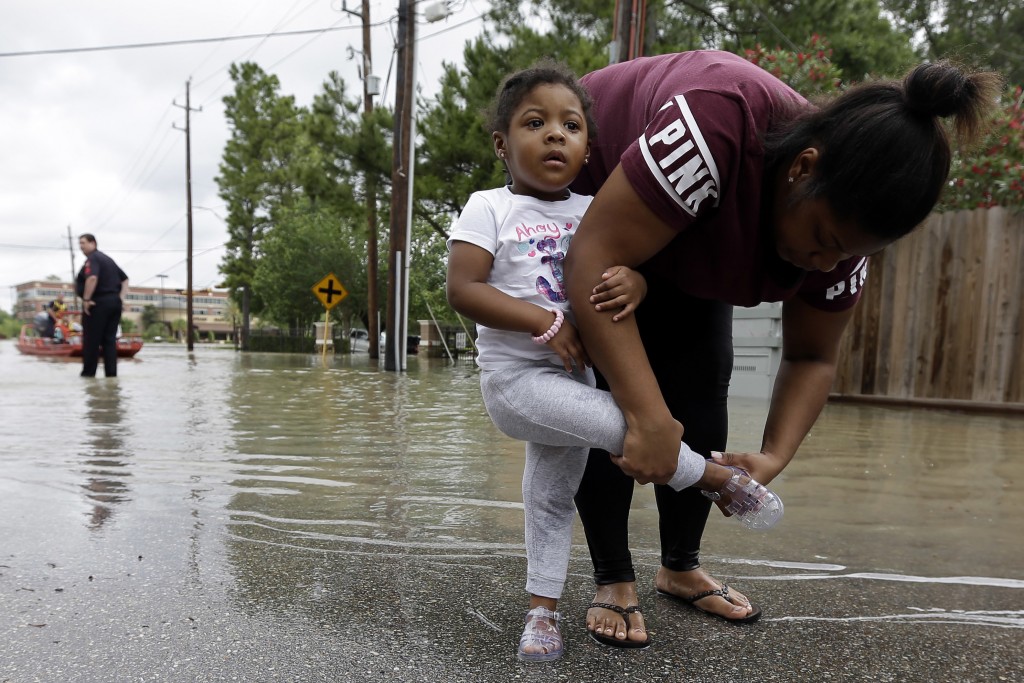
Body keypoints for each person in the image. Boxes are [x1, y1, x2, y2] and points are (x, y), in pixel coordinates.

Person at [561, 51, 1002, 645]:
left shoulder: (841, 248)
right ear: (803, 167)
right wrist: (645, 414)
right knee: (614, 400)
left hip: (696, 229)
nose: (825, 264)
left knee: (703, 380)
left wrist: (773, 455)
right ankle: (613, 577)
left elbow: (812, 358)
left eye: (844, 254)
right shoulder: (716, 125)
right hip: (594, 199)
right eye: (823, 240)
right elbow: (592, 257)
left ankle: (679, 564)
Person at [446, 59, 784, 661]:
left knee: (549, 496)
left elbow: (626, 270)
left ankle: (541, 612)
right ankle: (712, 478)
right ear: (502, 143)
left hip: (573, 381)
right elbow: (464, 290)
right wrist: (546, 321)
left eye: (571, 126)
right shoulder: (489, 208)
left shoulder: (591, 210)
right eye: (535, 122)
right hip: (517, 382)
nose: (556, 134)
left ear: (587, 147)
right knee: (628, 423)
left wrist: (638, 283)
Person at [76, 233, 129, 377]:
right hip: (113, 304)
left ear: (93, 243)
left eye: (83, 243)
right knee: (109, 341)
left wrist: (86, 300)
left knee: (91, 341)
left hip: (97, 304)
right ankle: (111, 375)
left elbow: (92, 278)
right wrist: (119, 299)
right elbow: (125, 280)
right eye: (80, 244)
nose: (81, 247)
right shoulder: (107, 259)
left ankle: (88, 375)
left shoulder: (93, 259)